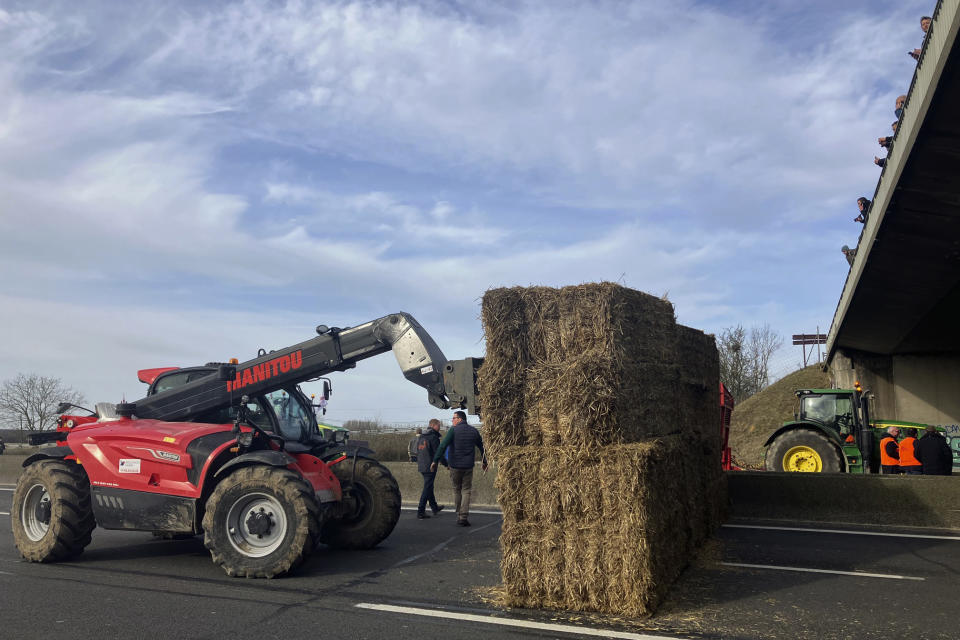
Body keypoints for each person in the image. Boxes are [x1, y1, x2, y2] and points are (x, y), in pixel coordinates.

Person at [431, 410, 487, 526]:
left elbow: (442, 446)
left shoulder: (453, 430)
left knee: (457, 489)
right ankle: (463, 517)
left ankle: (459, 513)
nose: (452, 420)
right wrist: (484, 461)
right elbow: (482, 447)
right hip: (468, 466)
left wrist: (435, 460)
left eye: (454, 418)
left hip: (455, 466)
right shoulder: (474, 431)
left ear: (460, 419)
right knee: (466, 490)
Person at [416, 419, 446, 519]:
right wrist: (446, 464)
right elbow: (439, 453)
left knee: (429, 487)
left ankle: (434, 507)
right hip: (430, 466)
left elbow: (417, 451)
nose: (440, 427)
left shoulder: (421, 436)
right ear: (433, 425)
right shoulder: (433, 437)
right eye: (439, 425)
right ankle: (421, 511)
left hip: (422, 465)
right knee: (427, 488)